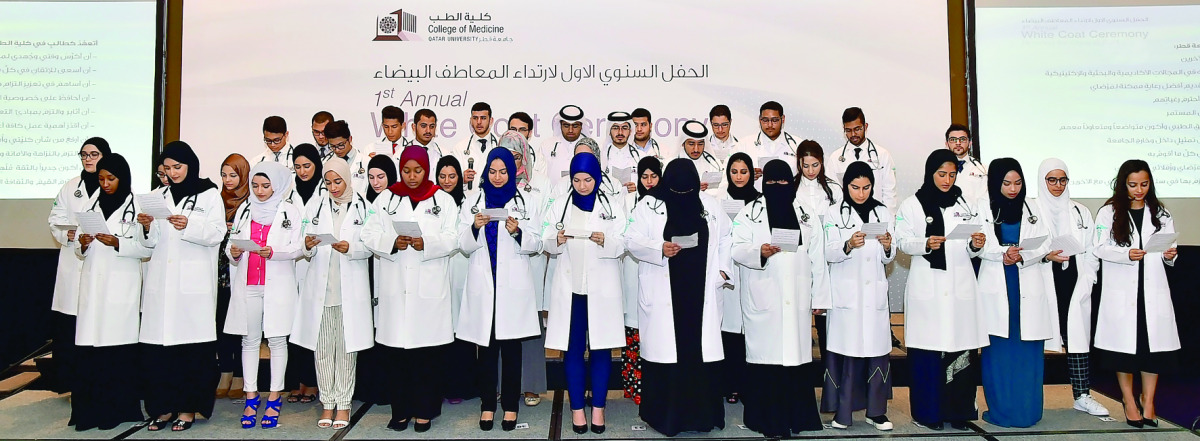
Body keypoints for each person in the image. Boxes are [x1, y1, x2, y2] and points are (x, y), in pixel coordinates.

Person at [626, 158, 731, 436]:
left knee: (699, 350)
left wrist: (723, 271)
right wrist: (659, 248)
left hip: (701, 290)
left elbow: (727, 238)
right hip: (665, 290)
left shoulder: (710, 205)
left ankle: (702, 417)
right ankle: (666, 417)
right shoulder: (649, 205)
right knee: (668, 354)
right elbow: (631, 239)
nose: (682, 194)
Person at [361, 146, 460, 432]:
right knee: (397, 357)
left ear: (426, 170)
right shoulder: (386, 198)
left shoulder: (442, 200)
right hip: (395, 287)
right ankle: (400, 412)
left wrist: (425, 242)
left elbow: (453, 236)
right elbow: (368, 233)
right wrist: (393, 242)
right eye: (407, 171)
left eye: (418, 171)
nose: (412, 176)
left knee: (425, 358)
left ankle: (425, 412)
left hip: (428, 290)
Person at [729, 159, 828, 437]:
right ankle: (767, 421)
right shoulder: (750, 212)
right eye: (771, 182)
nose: (777, 187)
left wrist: (820, 297)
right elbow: (736, 248)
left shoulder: (805, 213)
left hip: (797, 298)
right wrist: (759, 251)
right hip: (764, 297)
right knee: (767, 361)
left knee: (795, 359)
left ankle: (799, 418)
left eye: (783, 182)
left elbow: (817, 258)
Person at [894, 149, 989, 431]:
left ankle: (958, 411)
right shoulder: (912, 204)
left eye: (951, 174)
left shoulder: (966, 202)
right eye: (941, 174)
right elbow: (902, 241)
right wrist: (925, 244)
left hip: (960, 285)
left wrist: (977, 243)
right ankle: (928, 414)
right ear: (930, 173)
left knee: (960, 349)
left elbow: (971, 247)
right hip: (929, 286)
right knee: (929, 353)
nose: (947, 180)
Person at [136, 141, 226, 432]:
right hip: (161, 285)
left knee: (190, 353)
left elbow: (216, 233)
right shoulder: (156, 196)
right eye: (167, 169)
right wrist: (147, 226)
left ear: (190, 165)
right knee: (159, 354)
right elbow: (147, 243)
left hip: (192, 287)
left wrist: (188, 225)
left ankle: (188, 409)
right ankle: (161, 408)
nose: (173, 173)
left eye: (178, 167)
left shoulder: (209, 194)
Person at [457, 147, 544, 431]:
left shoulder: (526, 201)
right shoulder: (473, 201)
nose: (497, 177)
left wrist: (518, 232)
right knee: (487, 350)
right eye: (492, 171)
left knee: (511, 350)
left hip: (512, 287)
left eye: (503, 171)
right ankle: (487, 406)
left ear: (512, 172)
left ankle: (510, 406)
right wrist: (474, 227)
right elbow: (463, 244)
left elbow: (538, 242)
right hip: (485, 286)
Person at [543, 152, 627, 434]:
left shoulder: (612, 205)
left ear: (598, 178)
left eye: (588, 179)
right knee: (573, 351)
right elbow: (545, 237)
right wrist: (556, 238)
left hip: (601, 289)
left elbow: (624, 240)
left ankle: (599, 409)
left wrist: (607, 240)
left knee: (602, 349)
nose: (582, 185)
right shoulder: (560, 206)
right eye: (577, 180)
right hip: (572, 292)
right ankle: (577, 409)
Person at [1092, 160, 1179, 428]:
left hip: (1152, 291)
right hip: (1122, 291)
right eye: (1132, 185)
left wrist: (1170, 254)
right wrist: (1125, 254)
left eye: (1144, 184)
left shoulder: (1160, 213)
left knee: (1153, 351)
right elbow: (1099, 247)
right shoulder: (1108, 213)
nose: (1139, 190)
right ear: (1122, 184)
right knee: (1124, 351)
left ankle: (1148, 401)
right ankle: (1129, 401)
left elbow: (1170, 244)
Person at [70, 153, 150, 431]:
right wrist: (82, 242)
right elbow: (80, 250)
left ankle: (116, 410)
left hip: (121, 283)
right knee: (90, 347)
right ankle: (87, 412)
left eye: (111, 179)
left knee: (116, 349)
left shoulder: (137, 205)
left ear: (123, 177)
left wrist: (118, 242)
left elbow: (146, 247)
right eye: (101, 179)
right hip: (93, 282)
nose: (105, 184)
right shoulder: (90, 205)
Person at [976, 158, 1058, 428]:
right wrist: (1002, 254)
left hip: (1026, 278)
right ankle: (1001, 410)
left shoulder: (1032, 206)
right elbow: (975, 244)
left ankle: (1028, 411)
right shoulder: (982, 206)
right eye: (1006, 183)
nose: (1013, 189)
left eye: (1018, 182)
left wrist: (1022, 256)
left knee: (1027, 351)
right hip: (997, 280)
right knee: (999, 351)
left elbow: (1045, 240)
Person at [295, 158, 375, 430]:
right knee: (323, 352)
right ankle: (327, 402)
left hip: (349, 290)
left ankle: (344, 404)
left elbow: (371, 244)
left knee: (346, 352)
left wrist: (350, 248)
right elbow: (303, 238)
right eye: (328, 182)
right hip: (322, 290)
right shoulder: (316, 204)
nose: (333, 187)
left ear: (347, 179)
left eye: (337, 181)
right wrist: (307, 244)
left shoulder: (364, 207)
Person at [226, 161, 304, 429]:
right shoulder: (245, 210)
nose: (259, 191)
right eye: (256, 185)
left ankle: (274, 397)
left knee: (277, 341)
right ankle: (250, 396)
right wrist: (233, 253)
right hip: (248, 284)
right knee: (249, 341)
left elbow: (298, 248)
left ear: (278, 185)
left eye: (266, 186)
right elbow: (232, 242)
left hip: (277, 284)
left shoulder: (290, 211)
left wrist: (275, 253)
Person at [821, 161, 897, 431]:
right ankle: (843, 413)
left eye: (866, 187)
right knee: (849, 353)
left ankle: (876, 413)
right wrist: (848, 245)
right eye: (855, 187)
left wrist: (888, 246)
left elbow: (890, 256)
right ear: (846, 186)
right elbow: (828, 253)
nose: (861, 193)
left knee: (876, 353)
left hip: (873, 293)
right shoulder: (833, 214)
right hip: (847, 295)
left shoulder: (882, 211)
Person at [1033, 158, 1108, 416]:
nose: (1057, 185)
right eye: (1051, 180)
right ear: (1042, 180)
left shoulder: (1080, 211)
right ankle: (1032, 395)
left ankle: (1082, 394)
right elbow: (1028, 245)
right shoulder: (1030, 210)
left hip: (1074, 279)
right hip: (1042, 277)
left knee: (1077, 339)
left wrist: (1088, 280)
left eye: (1062, 180)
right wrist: (1045, 255)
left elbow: (1092, 251)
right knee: (1038, 338)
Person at [47, 137, 109, 394]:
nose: (88, 159)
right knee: (71, 325)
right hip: (74, 262)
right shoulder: (70, 186)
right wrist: (67, 234)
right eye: (84, 155)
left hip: (103, 261)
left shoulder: (114, 186)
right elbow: (55, 219)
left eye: (94, 154)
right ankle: (72, 385)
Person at [496, 130, 551, 408]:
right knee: (500, 326)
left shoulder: (540, 184)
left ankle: (530, 385)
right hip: (501, 267)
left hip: (532, 262)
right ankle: (502, 386)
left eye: (517, 156)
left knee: (529, 327)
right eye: (506, 157)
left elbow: (547, 225)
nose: (511, 162)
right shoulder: (490, 184)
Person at [355, 153, 398, 406]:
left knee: (384, 329)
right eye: (371, 177)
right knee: (366, 327)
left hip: (386, 266)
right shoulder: (361, 202)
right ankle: (367, 386)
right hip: (365, 268)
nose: (375, 182)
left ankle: (386, 387)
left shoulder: (396, 201)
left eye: (380, 176)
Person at [435, 155, 478, 403]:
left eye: (452, 176)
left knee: (462, 330)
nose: (447, 181)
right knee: (441, 330)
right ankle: (441, 385)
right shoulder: (431, 201)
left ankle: (463, 385)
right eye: (442, 176)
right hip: (439, 270)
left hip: (462, 268)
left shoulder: (468, 203)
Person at [620, 156, 662, 404]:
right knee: (633, 331)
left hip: (656, 272)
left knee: (655, 331)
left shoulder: (666, 201)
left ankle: (654, 386)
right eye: (644, 177)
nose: (649, 181)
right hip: (631, 272)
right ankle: (633, 387)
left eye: (654, 176)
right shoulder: (627, 201)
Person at [284, 144, 323, 404]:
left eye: (307, 166)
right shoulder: (287, 192)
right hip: (292, 266)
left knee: (314, 326)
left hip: (317, 264)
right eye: (298, 167)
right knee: (293, 327)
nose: (302, 171)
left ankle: (313, 383)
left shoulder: (327, 190)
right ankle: (297, 382)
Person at [716, 152, 757, 405]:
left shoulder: (760, 201)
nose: (739, 177)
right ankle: (729, 385)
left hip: (752, 271)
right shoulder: (718, 201)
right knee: (729, 332)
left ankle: (749, 386)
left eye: (743, 172)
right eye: (734, 172)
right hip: (728, 271)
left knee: (750, 332)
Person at [216, 154, 250, 400]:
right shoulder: (215, 201)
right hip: (217, 270)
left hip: (240, 270)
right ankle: (224, 371)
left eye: (233, 175)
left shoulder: (251, 201)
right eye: (224, 175)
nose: (228, 180)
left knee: (239, 324)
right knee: (220, 323)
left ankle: (239, 373)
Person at [825, 107, 898, 211]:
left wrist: (888, 221)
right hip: (846, 219)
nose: (853, 134)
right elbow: (832, 193)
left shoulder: (882, 155)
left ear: (865, 126)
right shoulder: (835, 158)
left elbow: (889, 193)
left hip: (875, 216)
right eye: (848, 130)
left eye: (857, 129)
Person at [455, 102, 501, 196]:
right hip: (467, 202)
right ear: (471, 120)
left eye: (483, 118)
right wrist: (462, 179)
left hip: (494, 202)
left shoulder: (500, 146)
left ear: (491, 121)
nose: (479, 122)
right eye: (475, 118)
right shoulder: (460, 148)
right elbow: (451, 181)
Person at [535, 104, 586, 186]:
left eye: (575, 126)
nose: (570, 130)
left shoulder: (589, 147)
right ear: (560, 125)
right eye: (566, 125)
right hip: (553, 195)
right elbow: (540, 175)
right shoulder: (547, 145)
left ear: (581, 126)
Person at [676, 120, 724, 197]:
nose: (696, 149)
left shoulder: (714, 164)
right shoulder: (671, 164)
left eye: (700, 144)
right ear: (683, 143)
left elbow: (723, 189)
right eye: (691, 144)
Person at [749, 101, 799, 174]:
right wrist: (747, 176)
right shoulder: (744, 145)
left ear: (783, 119)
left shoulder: (797, 145)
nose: (770, 125)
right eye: (765, 120)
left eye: (775, 120)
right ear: (760, 120)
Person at [325, 120, 371, 196]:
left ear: (350, 139)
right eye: (333, 146)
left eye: (341, 145)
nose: (337, 150)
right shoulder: (326, 163)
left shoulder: (366, 162)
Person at [945, 124, 987, 203]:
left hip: (975, 214)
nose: (958, 143)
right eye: (953, 139)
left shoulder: (982, 169)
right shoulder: (939, 169)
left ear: (970, 143)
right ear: (947, 144)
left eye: (962, 139)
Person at [601, 111, 642, 178]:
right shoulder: (601, 156)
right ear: (609, 131)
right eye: (615, 128)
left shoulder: (639, 156)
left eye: (624, 128)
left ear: (630, 131)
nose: (620, 132)